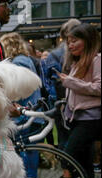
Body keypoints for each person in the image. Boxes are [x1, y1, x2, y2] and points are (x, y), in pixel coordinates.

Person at [58, 23, 101, 178]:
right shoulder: (77, 62)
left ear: (88, 41)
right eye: (68, 41)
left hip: (91, 119)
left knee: (69, 155)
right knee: (84, 159)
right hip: (77, 118)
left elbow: (99, 88)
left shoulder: (97, 60)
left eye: (75, 40)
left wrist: (71, 82)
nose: (70, 45)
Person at [0, 32, 42, 178]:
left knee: (25, 156)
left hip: (24, 114)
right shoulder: (26, 59)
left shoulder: (18, 62)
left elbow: (17, 90)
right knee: (30, 153)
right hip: (32, 112)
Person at [42, 19, 81, 151]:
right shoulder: (83, 53)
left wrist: (53, 98)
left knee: (64, 135)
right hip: (79, 99)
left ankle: (67, 166)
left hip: (60, 100)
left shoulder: (54, 55)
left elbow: (46, 81)